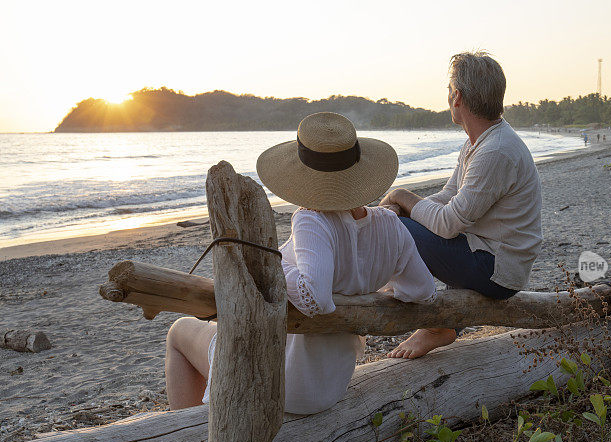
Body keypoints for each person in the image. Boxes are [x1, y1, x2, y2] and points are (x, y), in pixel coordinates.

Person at [165, 112, 436, 414]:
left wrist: (272, 264)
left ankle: (189, 431)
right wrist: (370, 288)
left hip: (283, 382)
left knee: (179, 331)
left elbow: (316, 296)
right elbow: (422, 290)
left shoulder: (312, 219)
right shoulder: (389, 224)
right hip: (329, 383)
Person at [380, 51, 542, 359]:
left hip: (497, 270)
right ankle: (431, 314)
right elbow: (446, 198)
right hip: (488, 254)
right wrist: (404, 207)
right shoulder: (478, 142)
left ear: (457, 97)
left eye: (449, 88)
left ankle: (427, 317)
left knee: (394, 226)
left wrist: (400, 197)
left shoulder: (495, 150)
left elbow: (448, 223)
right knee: (397, 220)